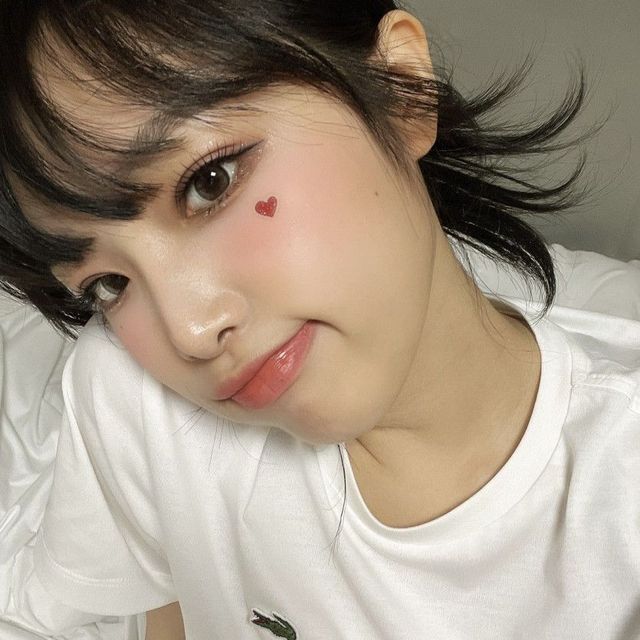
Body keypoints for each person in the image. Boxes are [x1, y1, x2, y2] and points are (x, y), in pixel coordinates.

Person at [0, 1, 638, 638]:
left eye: (210, 182)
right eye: (108, 284)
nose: (190, 332)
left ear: (402, 90)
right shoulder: (132, 398)